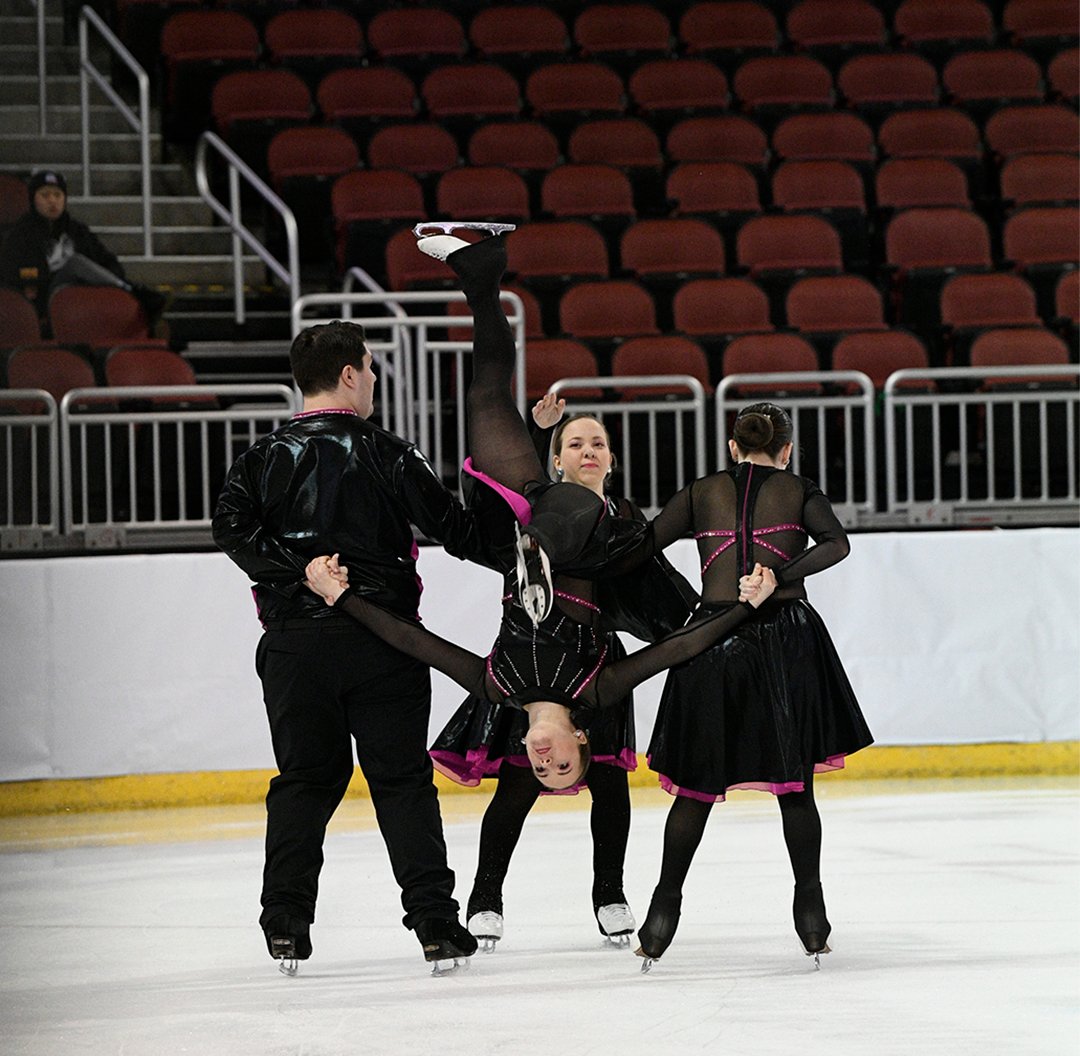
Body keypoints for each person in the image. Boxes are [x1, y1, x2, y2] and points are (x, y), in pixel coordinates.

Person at [302, 229, 779, 795]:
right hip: (592, 543)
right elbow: (679, 646)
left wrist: (342, 597)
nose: (545, 759)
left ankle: (482, 274)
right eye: (564, 766)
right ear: (583, 741)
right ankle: (540, 553)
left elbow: (414, 642)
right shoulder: (596, 691)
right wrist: (743, 609)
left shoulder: (497, 686)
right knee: (573, 509)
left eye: (541, 769)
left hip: (522, 527)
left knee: (486, 398)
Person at [212, 320, 489, 974]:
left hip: (295, 647)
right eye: (369, 369)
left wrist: (295, 570)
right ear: (346, 375)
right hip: (382, 642)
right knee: (400, 781)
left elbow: (230, 529)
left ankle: (284, 922)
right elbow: (457, 530)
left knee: (306, 780)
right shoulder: (393, 452)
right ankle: (435, 927)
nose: (373, 381)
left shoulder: (259, 459)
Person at [431, 397, 699, 950]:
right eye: (575, 444)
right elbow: (510, 482)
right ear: (557, 461)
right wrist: (533, 428)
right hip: (526, 663)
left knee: (608, 782)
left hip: (593, 661)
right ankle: (485, 897)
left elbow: (654, 582)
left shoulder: (623, 517)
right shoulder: (542, 507)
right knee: (517, 784)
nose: (588, 451)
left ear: (612, 458)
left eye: (597, 443)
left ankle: (609, 893)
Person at [633, 401, 875, 970]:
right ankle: (810, 914)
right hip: (785, 639)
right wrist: (778, 575)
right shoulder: (798, 488)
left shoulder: (700, 491)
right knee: (794, 785)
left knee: (694, 787)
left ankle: (662, 912)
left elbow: (641, 548)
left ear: (733, 448)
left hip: (711, 637)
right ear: (785, 450)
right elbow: (836, 544)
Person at [0, 169, 165, 330]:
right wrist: (37, 279)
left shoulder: (77, 231)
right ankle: (133, 290)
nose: (52, 201)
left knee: (81, 267)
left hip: (82, 300)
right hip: (46, 299)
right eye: (45, 195)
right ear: (33, 199)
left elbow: (109, 262)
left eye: (57, 195)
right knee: (75, 263)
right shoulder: (20, 234)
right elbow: (11, 273)